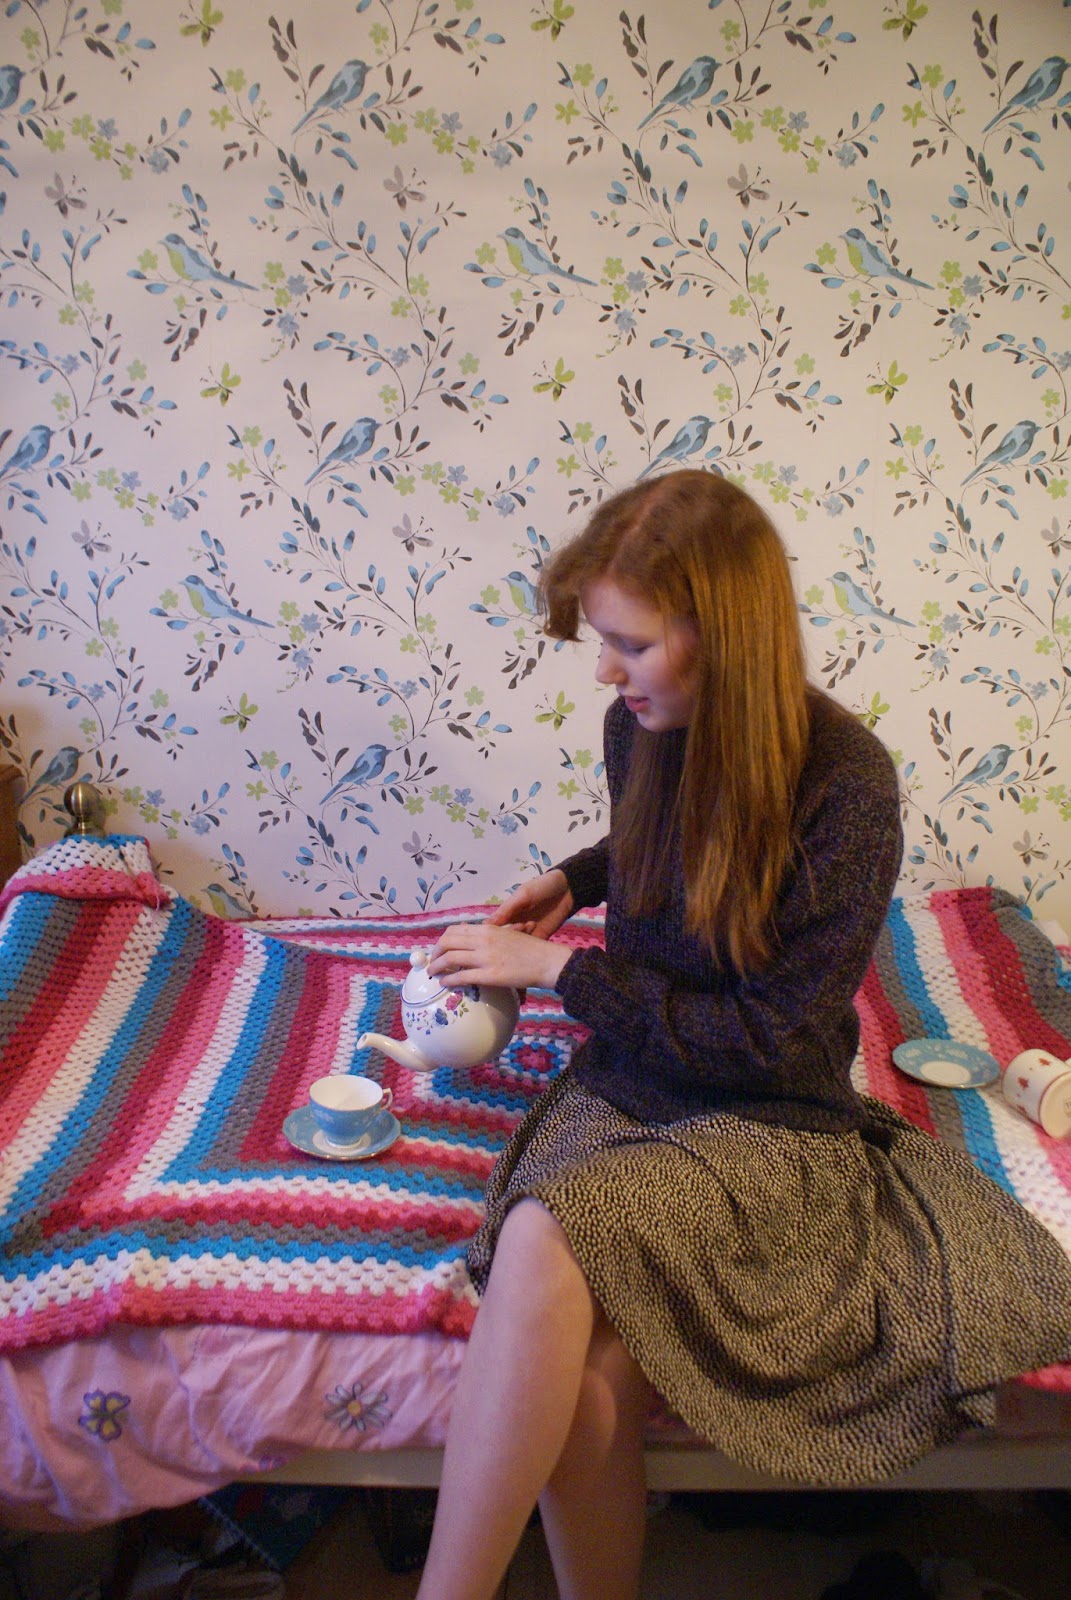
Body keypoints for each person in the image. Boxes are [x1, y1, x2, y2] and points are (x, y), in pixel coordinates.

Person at [414, 470, 1071, 1600]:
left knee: (544, 1232)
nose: (606, 672)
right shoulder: (640, 728)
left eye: (629, 644)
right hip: (634, 1077)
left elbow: (766, 1040)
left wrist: (564, 972)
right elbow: (666, 838)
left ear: (721, 636)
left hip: (760, 1113)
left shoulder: (846, 786)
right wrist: (576, 881)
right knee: (590, 1369)